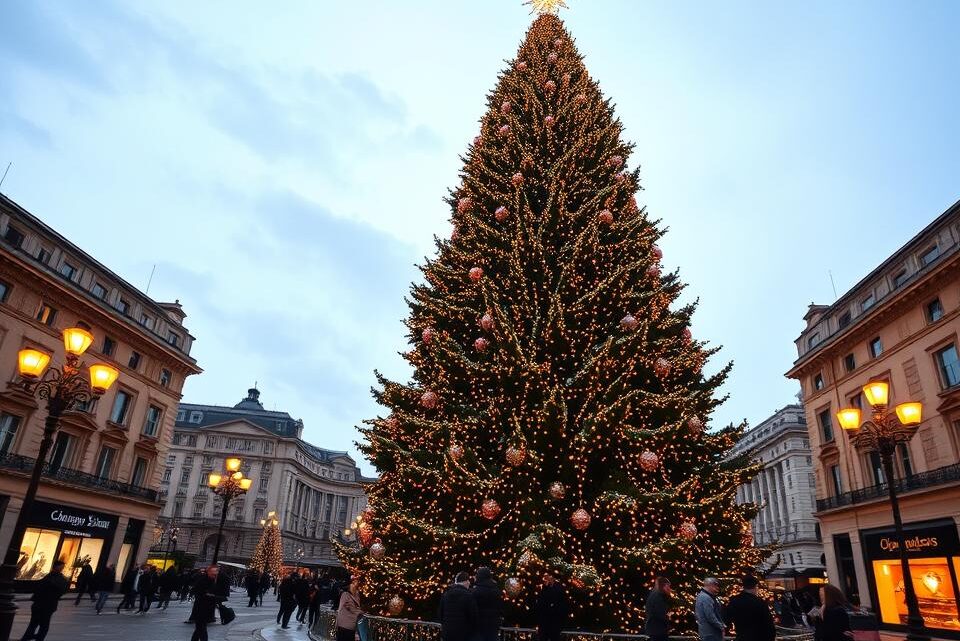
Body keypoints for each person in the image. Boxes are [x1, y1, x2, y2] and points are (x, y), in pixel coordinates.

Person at [19, 559, 69, 641]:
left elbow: (38, 587)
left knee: (34, 624)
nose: (62, 568)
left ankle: (28, 637)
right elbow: (62, 591)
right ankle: (34, 637)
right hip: (47, 605)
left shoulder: (49, 576)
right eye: (61, 567)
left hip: (40, 604)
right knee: (43, 626)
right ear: (56, 566)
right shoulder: (58, 578)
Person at [724, 575, 776, 641]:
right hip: (759, 637)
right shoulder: (759, 602)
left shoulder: (734, 601)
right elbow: (768, 622)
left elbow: (727, 619)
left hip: (742, 636)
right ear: (755, 587)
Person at [191, 565, 228, 641]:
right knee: (202, 629)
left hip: (207, 609)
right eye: (213, 572)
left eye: (216, 572)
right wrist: (211, 595)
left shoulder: (212, 580)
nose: (215, 574)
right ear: (208, 572)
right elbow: (199, 592)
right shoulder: (204, 580)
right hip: (201, 608)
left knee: (199, 629)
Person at [439, 571, 478, 641]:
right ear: (465, 582)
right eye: (468, 580)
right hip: (463, 633)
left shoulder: (446, 594)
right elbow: (473, 616)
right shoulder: (469, 596)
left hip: (447, 632)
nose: (469, 583)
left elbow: (440, 613)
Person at [472, 567, 503, 641]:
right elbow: (500, 607)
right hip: (493, 624)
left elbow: (472, 608)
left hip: (479, 624)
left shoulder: (475, 591)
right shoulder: (497, 591)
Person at [534, 573, 568, 641]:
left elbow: (562, 605)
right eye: (545, 578)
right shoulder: (544, 588)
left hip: (554, 621)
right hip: (545, 622)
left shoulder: (559, 589)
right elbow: (540, 604)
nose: (546, 579)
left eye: (548, 577)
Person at [644, 577, 672, 641]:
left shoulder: (654, 595)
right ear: (664, 586)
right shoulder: (658, 597)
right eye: (668, 586)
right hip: (658, 630)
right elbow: (660, 614)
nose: (669, 589)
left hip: (654, 629)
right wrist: (668, 616)